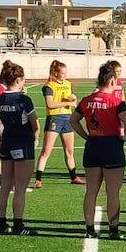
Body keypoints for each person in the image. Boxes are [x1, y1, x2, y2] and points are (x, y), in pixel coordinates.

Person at [71, 62, 126, 240]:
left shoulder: (87, 100)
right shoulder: (116, 102)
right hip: (112, 147)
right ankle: (113, 229)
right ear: (112, 80)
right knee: (112, 192)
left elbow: (73, 120)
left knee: (91, 191)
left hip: (93, 146)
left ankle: (90, 228)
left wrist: (85, 135)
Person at [0, 62, 39, 236]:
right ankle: (18, 225)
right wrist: (35, 138)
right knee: (20, 187)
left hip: (7, 142)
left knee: (5, 185)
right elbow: (35, 124)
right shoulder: (23, 99)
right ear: (18, 80)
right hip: (22, 143)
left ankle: (1, 223)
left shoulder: (0, 98)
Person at [35, 60, 84, 188]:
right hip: (55, 118)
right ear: (55, 73)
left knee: (69, 151)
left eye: (66, 73)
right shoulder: (48, 86)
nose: (65, 75)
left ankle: (73, 177)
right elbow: (50, 104)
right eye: (63, 73)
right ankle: (38, 179)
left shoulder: (68, 83)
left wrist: (72, 98)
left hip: (67, 118)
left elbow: (70, 97)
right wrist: (67, 103)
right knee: (46, 151)